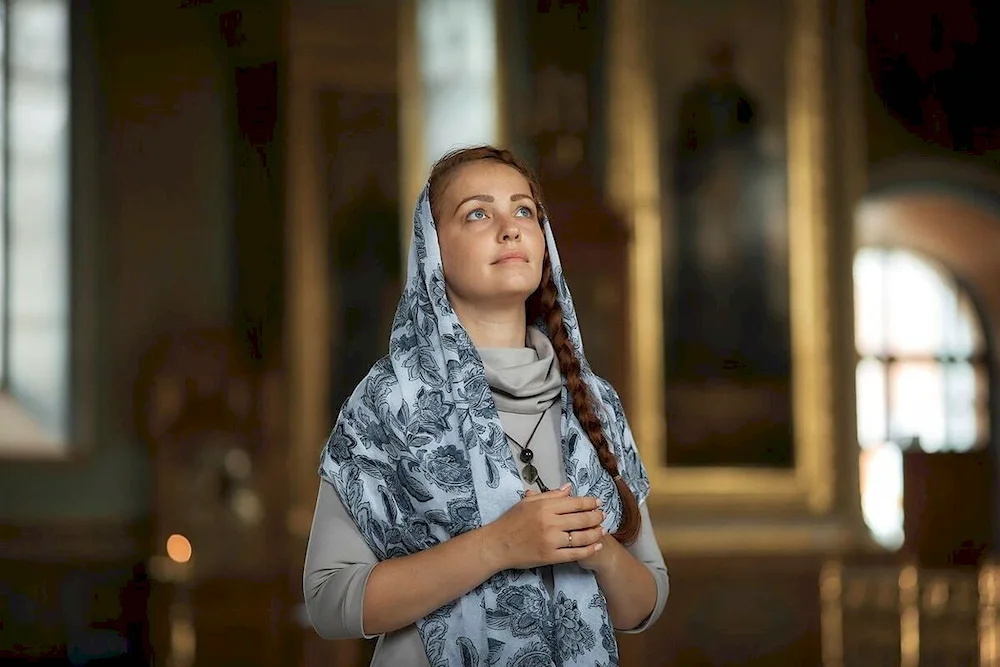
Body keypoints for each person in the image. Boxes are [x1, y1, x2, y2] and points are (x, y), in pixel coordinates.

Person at [303, 146, 668, 666]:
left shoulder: (596, 402)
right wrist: (499, 545)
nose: (509, 227)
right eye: (478, 212)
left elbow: (643, 604)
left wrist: (596, 548)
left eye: (524, 210)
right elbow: (328, 601)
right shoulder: (389, 399)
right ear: (433, 250)